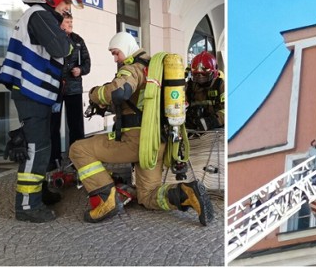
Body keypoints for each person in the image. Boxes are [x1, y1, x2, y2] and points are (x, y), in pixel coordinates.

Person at [68, 32, 214, 225]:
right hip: (158, 142)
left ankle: (106, 199)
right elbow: (137, 101)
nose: (115, 58)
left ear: (125, 47)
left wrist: (95, 95)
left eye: (115, 53)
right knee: (148, 195)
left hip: (137, 142)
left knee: (78, 149)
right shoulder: (155, 70)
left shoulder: (133, 68)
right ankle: (187, 192)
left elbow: (119, 91)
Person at [0, 0, 84, 223]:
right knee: (36, 149)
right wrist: (67, 45)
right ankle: (27, 206)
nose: (68, 7)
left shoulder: (42, 16)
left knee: (41, 146)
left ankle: (40, 192)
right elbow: (62, 49)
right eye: (67, 1)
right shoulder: (39, 15)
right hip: (30, 92)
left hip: (37, 93)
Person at [48, 13, 91, 171]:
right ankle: (54, 159)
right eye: (67, 21)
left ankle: (76, 158)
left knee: (76, 125)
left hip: (74, 89)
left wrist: (80, 70)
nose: (70, 24)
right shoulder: (52, 40)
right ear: (60, 24)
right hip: (55, 89)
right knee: (53, 125)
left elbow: (87, 63)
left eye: (71, 21)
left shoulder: (78, 40)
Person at [184, 51, 225, 131]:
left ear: (214, 73)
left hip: (215, 130)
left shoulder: (220, 85)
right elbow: (179, 102)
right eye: (196, 74)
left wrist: (212, 121)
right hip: (194, 129)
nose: (200, 78)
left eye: (204, 74)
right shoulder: (190, 85)